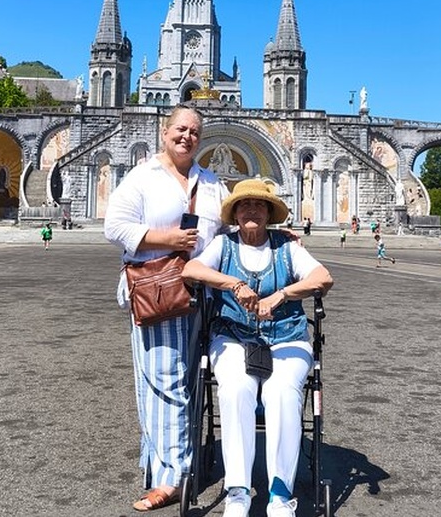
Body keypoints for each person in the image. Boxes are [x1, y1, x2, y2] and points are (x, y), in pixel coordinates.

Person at [181, 178, 334, 517]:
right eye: (244, 205)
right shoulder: (224, 245)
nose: (252, 210)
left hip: (287, 336)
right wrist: (233, 284)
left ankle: (280, 494)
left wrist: (282, 294)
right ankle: (238, 489)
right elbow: (192, 269)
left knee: (282, 392)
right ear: (235, 213)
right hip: (233, 336)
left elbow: (323, 277)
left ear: (269, 213)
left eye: (259, 205)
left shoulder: (288, 246)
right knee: (236, 389)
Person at [104, 105, 229, 512]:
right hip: (159, 291)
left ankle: (165, 462)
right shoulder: (143, 177)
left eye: (194, 131)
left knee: (189, 380)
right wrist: (167, 239)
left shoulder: (210, 182)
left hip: (203, 294)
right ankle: (172, 476)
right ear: (164, 131)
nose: (187, 136)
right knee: (164, 378)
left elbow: (229, 230)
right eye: (180, 128)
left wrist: (280, 237)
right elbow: (115, 227)